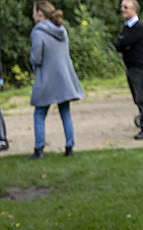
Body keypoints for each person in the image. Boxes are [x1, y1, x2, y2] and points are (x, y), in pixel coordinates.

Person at [29, 1, 85, 159]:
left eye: (34, 11)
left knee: (39, 114)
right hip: (64, 78)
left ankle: (39, 150)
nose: (33, 14)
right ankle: (69, 147)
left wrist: (32, 60)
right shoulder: (62, 29)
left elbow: (36, 57)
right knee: (65, 113)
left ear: (40, 12)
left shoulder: (37, 31)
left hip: (46, 79)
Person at [115, 0, 143, 140]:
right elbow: (119, 45)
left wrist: (124, 44)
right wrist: (123, 44)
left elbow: (124, 42)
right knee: (138, 98)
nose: (122, 9)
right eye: (122, 7)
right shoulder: (127, 27)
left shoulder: (138, 28)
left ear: (134, 9)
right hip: (131, 67)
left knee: (142, 99)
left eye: (126, 7)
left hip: (139, 68)